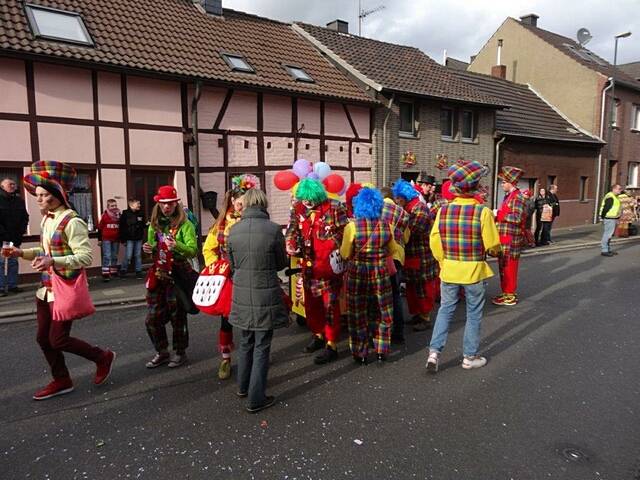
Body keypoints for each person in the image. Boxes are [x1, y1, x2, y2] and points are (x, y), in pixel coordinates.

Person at [6, 160, 115, 400]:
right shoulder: (48, 219)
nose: (38, 199)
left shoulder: (72, 221)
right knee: (43, 339)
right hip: (45, 290)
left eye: (43, 195)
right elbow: (46, 251)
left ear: (56, 195)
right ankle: (62, 379)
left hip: (63, 290)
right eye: (37, 194)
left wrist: (54, 262)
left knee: (58, 339)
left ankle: (102, 356)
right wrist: (20, 253)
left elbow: (85, 257)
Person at [426, 160, 501, 373]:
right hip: (474, 270)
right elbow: (492, 244)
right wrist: (496, 252)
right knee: (474, 313)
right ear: (476, 187)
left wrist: (444, 261)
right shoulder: (483, 212)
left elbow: (434, 242)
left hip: (449, 268)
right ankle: (469, 356)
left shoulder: (443, 211)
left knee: (445, 310)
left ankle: (434, 352)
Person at [227, 188, 288, 413]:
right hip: (265, 292)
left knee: (245, 342)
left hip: (242, 293)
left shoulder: (233, 231)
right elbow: (281, 263)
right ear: (263, 204)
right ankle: (256, 398)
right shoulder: (273, 230)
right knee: (262, 345)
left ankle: (243, 387)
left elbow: (232, 265)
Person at [285, 178, 348, 365]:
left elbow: (344, 233)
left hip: (328, 268)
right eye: (303, 198)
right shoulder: (298, 209)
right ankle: (318, 334)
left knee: (330, 306)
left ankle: (331, 344)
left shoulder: (335, 207)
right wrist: (290, 244)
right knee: (312, 305)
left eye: (309, 198)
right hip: (309, 266)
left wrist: (328, 245)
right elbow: (292, 230)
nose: (306, 202)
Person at [202, 174, 259, 380]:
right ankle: (225, 358)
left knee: (250, 319)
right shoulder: (220, 225)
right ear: (232, 202)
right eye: (237, 203)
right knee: (226, 320)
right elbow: (208, 249)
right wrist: (216, 268)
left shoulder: (254, 221)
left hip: (250, 275)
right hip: (229, 278)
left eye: (244, 203)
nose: (240, 207)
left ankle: (252, 354)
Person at [340, 187, 398, 363]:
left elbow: (344, 253)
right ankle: (381, 350)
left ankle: (361, 353)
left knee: (358, 312)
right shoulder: (387, 226)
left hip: (358, 273)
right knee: (383, 311)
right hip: (380, 272)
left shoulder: (352, 227)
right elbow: (392, 250)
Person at [143, 185, 197, 368]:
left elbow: (192, 251)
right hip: (159, 273)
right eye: (163, 204)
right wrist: (148, 248)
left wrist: (177, 246)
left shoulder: (185, 225)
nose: (167, 207)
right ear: (158, 204)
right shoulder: (154, 225)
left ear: (176, 204)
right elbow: (153, 247)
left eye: (170, 204)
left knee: (178, 316)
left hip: (178, 273)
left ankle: (180, 352)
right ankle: (162, 352)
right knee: (152, 318)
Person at [392, 179, 438, 331]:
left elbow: (414, 230)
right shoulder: (408, 209)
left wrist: (399, 226)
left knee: (422, 288)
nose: (396, 200)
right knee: (413, 287)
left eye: (398, 197)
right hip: (413, 255)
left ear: (404, 196)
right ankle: (417, 315)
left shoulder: (419, 209)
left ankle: (425, 318)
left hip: (421, 255)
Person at [492, 166, 526, 306]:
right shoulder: (510, 196)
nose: (501, 184)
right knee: (503, 267)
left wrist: (498, 214)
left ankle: (510, 295)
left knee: (509, 268)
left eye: (503, 182)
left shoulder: (517, 197)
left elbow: (517, 218)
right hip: (505, 238)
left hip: (511, 241)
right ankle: (506, 291)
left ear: (511, 182)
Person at [380, 187, 410, 344]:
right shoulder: (403, 213)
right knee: (395, 294)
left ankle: (380, 332)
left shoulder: (376, 207)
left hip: (380, 254)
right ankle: (399, 332)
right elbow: (406, 237)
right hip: (397, 255)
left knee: (379, 295)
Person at [0, 177, 29, 296]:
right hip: (2, 239)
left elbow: (25, 217)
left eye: (14, 184)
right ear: (2, 187)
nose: (13, 186)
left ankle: (12, 285)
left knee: (12, 261)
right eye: (10, 184)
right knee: (1, 263)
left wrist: (21, 232)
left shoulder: (19, 200)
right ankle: (1, 288)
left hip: (14, 238)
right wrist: (4, 235)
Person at [119, 199, 146, 279]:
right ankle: (123, 270)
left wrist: (147, 225)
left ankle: (138, 271)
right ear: (131, 205)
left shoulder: (141, 213)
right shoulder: (125, 214)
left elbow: (143, 224)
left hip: (138, 237)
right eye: (138, 203)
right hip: (129, 238)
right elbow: (122, 227)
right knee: (128, 255)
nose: (139, 205)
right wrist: (123, 239)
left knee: (138, 255)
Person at [97, 198, 121, 282]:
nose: (114, 207)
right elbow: (99, 228)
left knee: (114, 256)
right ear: (108, 206)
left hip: (116, 239)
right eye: (112, 206)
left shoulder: (119, 215)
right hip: (106, 239)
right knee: (107, 256)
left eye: (115, 205)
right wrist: (99, 239)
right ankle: (105, 274)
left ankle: (113, 272)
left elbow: (121, 227)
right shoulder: (105, 215)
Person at [600, 184, 623, 256]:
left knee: (609, 235)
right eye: (619, 189)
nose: (620, 190)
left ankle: (607, 249)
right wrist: (602, 217)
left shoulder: (615, 197)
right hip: (609, 218)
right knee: (607, 234)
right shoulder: (610, 197)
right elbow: (606, 208)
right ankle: (604, 250)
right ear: (614, 189)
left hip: (613, 218)